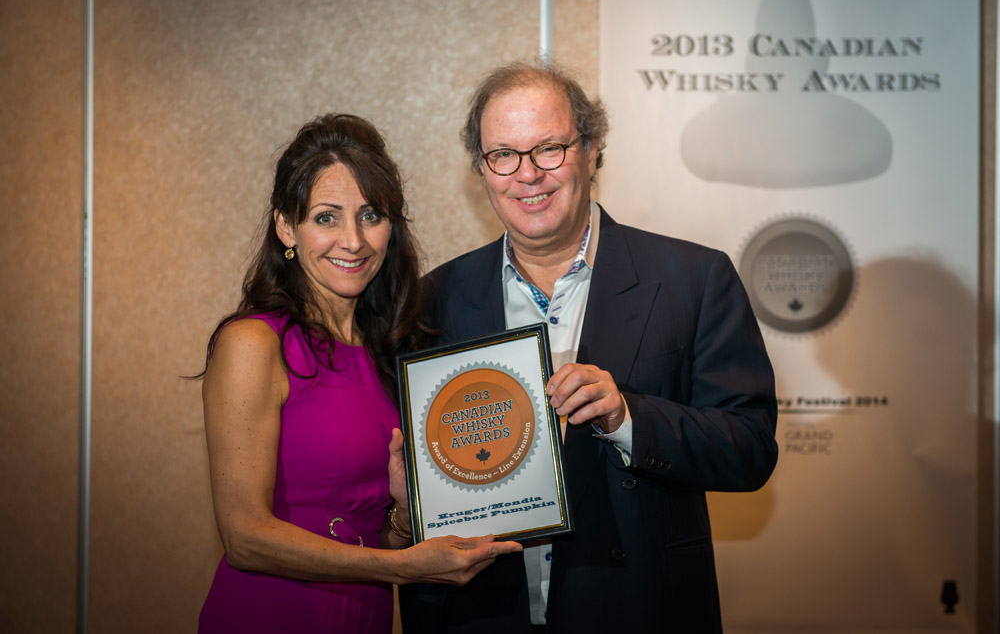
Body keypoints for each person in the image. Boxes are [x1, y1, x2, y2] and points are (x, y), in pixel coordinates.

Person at [399, 62, 779, 632]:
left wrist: (628, 417)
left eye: (549, 148)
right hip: (483, 612)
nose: (528, 174)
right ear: (482, 169)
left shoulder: (693, 279)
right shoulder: (433, 300)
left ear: (592, 150)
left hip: (636, 608)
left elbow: (750, 448)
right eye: (503, 155)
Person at [196, 113, 521, 634]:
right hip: (270, 616)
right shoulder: (253, 343)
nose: (353, 240)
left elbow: (366, 538)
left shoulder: (385, 352)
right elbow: (244, 538)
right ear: (286, 227)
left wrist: (404, 517)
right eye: (326, 217)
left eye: (371, 215)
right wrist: (404, 568)